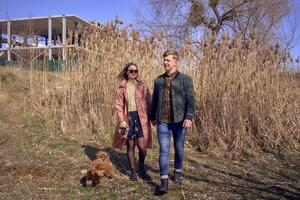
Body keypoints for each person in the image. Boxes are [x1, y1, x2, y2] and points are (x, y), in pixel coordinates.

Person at [150, 50, 195, 194]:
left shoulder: (185, 80)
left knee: (179, 149)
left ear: (175, 61)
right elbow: (154, 100)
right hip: (162, 121)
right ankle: (164, 183)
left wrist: (188, 117)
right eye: (164, 60)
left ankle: (177, 173)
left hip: (179, 121)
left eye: (168, 60)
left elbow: (190, 100)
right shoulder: (158, 80)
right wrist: (152, 116)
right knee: (164, 151)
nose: (165, 62)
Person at [112, 62, 152, 181]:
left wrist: (153, 118)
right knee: (130, 145)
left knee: (142, 146)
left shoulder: (142, 86)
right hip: (127, 118)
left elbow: (149, 102)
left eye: (135, 71)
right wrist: (121, 120)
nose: (133, 73)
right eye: (131, 71)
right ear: (126, 72)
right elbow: (118, 105)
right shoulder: (121, 87)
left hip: (141, 118)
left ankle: (141, 166)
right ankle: (133, 171)